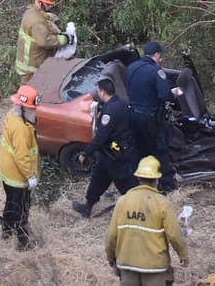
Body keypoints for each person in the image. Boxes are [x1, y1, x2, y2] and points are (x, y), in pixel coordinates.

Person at [105, 156, 189, 285]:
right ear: (156, 179)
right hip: (155, 267)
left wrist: (111, 258)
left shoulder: (123, 201)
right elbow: (174, 235)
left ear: (138, 177)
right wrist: (183, 255)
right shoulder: (162, 203)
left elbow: (111, 235)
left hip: (127, 264)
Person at [72, 78, 138, 218]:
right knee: (98, 179)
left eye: (98, 91)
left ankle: (139, 211)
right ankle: (87, 206)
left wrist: (86, 153)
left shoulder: (110, 111)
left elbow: (101, 136)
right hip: (109, 154)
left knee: (126, 184)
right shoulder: (121, 103)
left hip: (116, 155)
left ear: (102, 92)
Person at [125, 41, 179, 192]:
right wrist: (173, 93)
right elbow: (164, 95)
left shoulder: (131, 68)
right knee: (159, 149)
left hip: (132, 115)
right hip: (149, 117)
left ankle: (136, 183)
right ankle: (167, 184)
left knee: (138, 149)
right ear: (156, 55)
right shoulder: (156, 71)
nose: (160, 58)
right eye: (160, 55)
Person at [0, 85, 41, 250]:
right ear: (22, 108)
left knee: (11, 203)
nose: (34, 113)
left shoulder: (13, 116)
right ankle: (23, 242)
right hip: (17, 176)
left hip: (8, 172)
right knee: (21, 209)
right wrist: (31, 176)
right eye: (31, 109)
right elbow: (21, 157)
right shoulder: (21, 129)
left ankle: (6, 230)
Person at [15, 0, 72, 85]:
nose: (51, 5)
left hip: (31, 63)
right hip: (30, 68)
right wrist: (64, 39)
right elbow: (45, 41)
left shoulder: (32, 11)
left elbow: (43, 22)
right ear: (40, 2)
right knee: (29, 95)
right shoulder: (36, 22)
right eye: (48, 4)